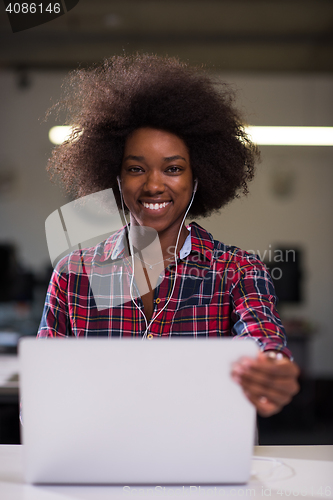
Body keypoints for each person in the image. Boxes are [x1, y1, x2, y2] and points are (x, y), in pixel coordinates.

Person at [38, 54, 299, 417]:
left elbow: (261, 334)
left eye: (173, 168)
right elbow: (44, 384)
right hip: (99, 462)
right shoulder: (74, 274)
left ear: (197, 177)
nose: (154, 184)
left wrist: (270, 365)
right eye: (136, 168)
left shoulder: (237, 269)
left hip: (204, 464)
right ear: (115, 176)